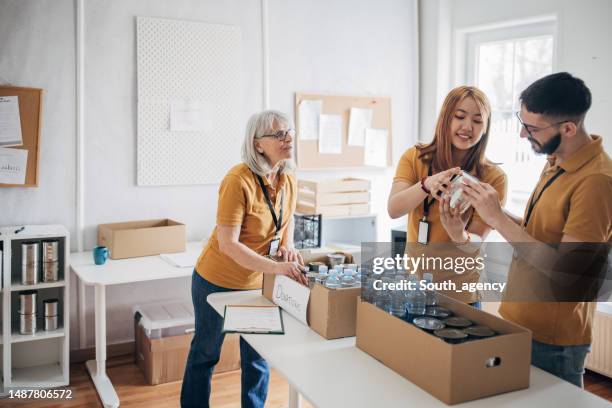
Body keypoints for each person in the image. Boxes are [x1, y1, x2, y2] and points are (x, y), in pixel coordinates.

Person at [461, 72, 612, 387]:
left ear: (568, 128)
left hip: (553, 340)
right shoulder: (557, 157)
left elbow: (568, 273)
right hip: (521, 320)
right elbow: (538, 235)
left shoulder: (596, 182)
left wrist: (498, 219)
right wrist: (493, 211)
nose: (521, 134)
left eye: (531, 128)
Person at [180, 110, 308, 408]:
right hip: (216, 281)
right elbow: (228, 244)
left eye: (289, 131)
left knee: (257, 356)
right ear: (258, 144)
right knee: (206, 353)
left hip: (256, 282)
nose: (287, 138)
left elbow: (285, 224)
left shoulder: (288, 178)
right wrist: (278, 267)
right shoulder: (238, 180)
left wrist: (286, 249)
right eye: (278, 134)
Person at [388, 86, 507, 306]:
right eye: (459, 116)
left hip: (461, 294)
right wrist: (425, 184)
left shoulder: (493, 177)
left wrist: (459, 234)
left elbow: (476, 241)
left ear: (486, 127)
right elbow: (394, 209)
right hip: (415, 288)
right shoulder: (416, 157)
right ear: (445, 118)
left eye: (478, 121)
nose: (467, 127)